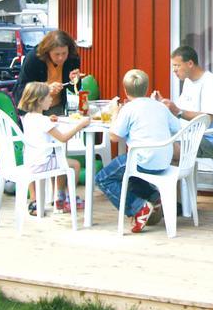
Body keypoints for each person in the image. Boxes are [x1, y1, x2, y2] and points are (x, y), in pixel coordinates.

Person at [95, 68, 181, 233]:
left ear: (125, 91)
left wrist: (115, 114)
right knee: (129, 177)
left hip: (142, 160)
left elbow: (114, 136)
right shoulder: (160, 107)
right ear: (147, 88)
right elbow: (176, 127)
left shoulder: (129, 109)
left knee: (103, 178)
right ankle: (154, 198)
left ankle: (138, 208)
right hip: (163, 161)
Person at [17, 82, 91, 213]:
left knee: (61, 160)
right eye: (48, 97)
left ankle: (60, 198)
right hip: (42, 164)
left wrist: (48, 119)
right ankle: (67, 199)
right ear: (40, 101)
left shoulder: (28, 117)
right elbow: (63, 138)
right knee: (74, 165)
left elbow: (40, 127)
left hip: (31, 162)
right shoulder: (43, 121)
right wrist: (80, 125)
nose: (51, 99)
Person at [159, 45, 213, 158]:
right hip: (187, 135)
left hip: (206, 142)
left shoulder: (210, 81)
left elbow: (207, 118)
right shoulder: (188, 81)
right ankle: (178, 175)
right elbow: (179, 110)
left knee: (163, 150)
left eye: (177, 65)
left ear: (190, 63)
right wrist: (162, 104)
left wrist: (178, 111)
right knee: (155, 139)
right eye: (173, 66)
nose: (174, 70)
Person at [15, 29, 82, 116]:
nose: (61, 58)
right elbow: (22, 90)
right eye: (56, 54)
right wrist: (45, 90)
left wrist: (75, 80)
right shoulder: (33, 59)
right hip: (33, 109)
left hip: (56, 107)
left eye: (64, 53)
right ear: (47, 51)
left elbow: (74, 89)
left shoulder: (72, 58)